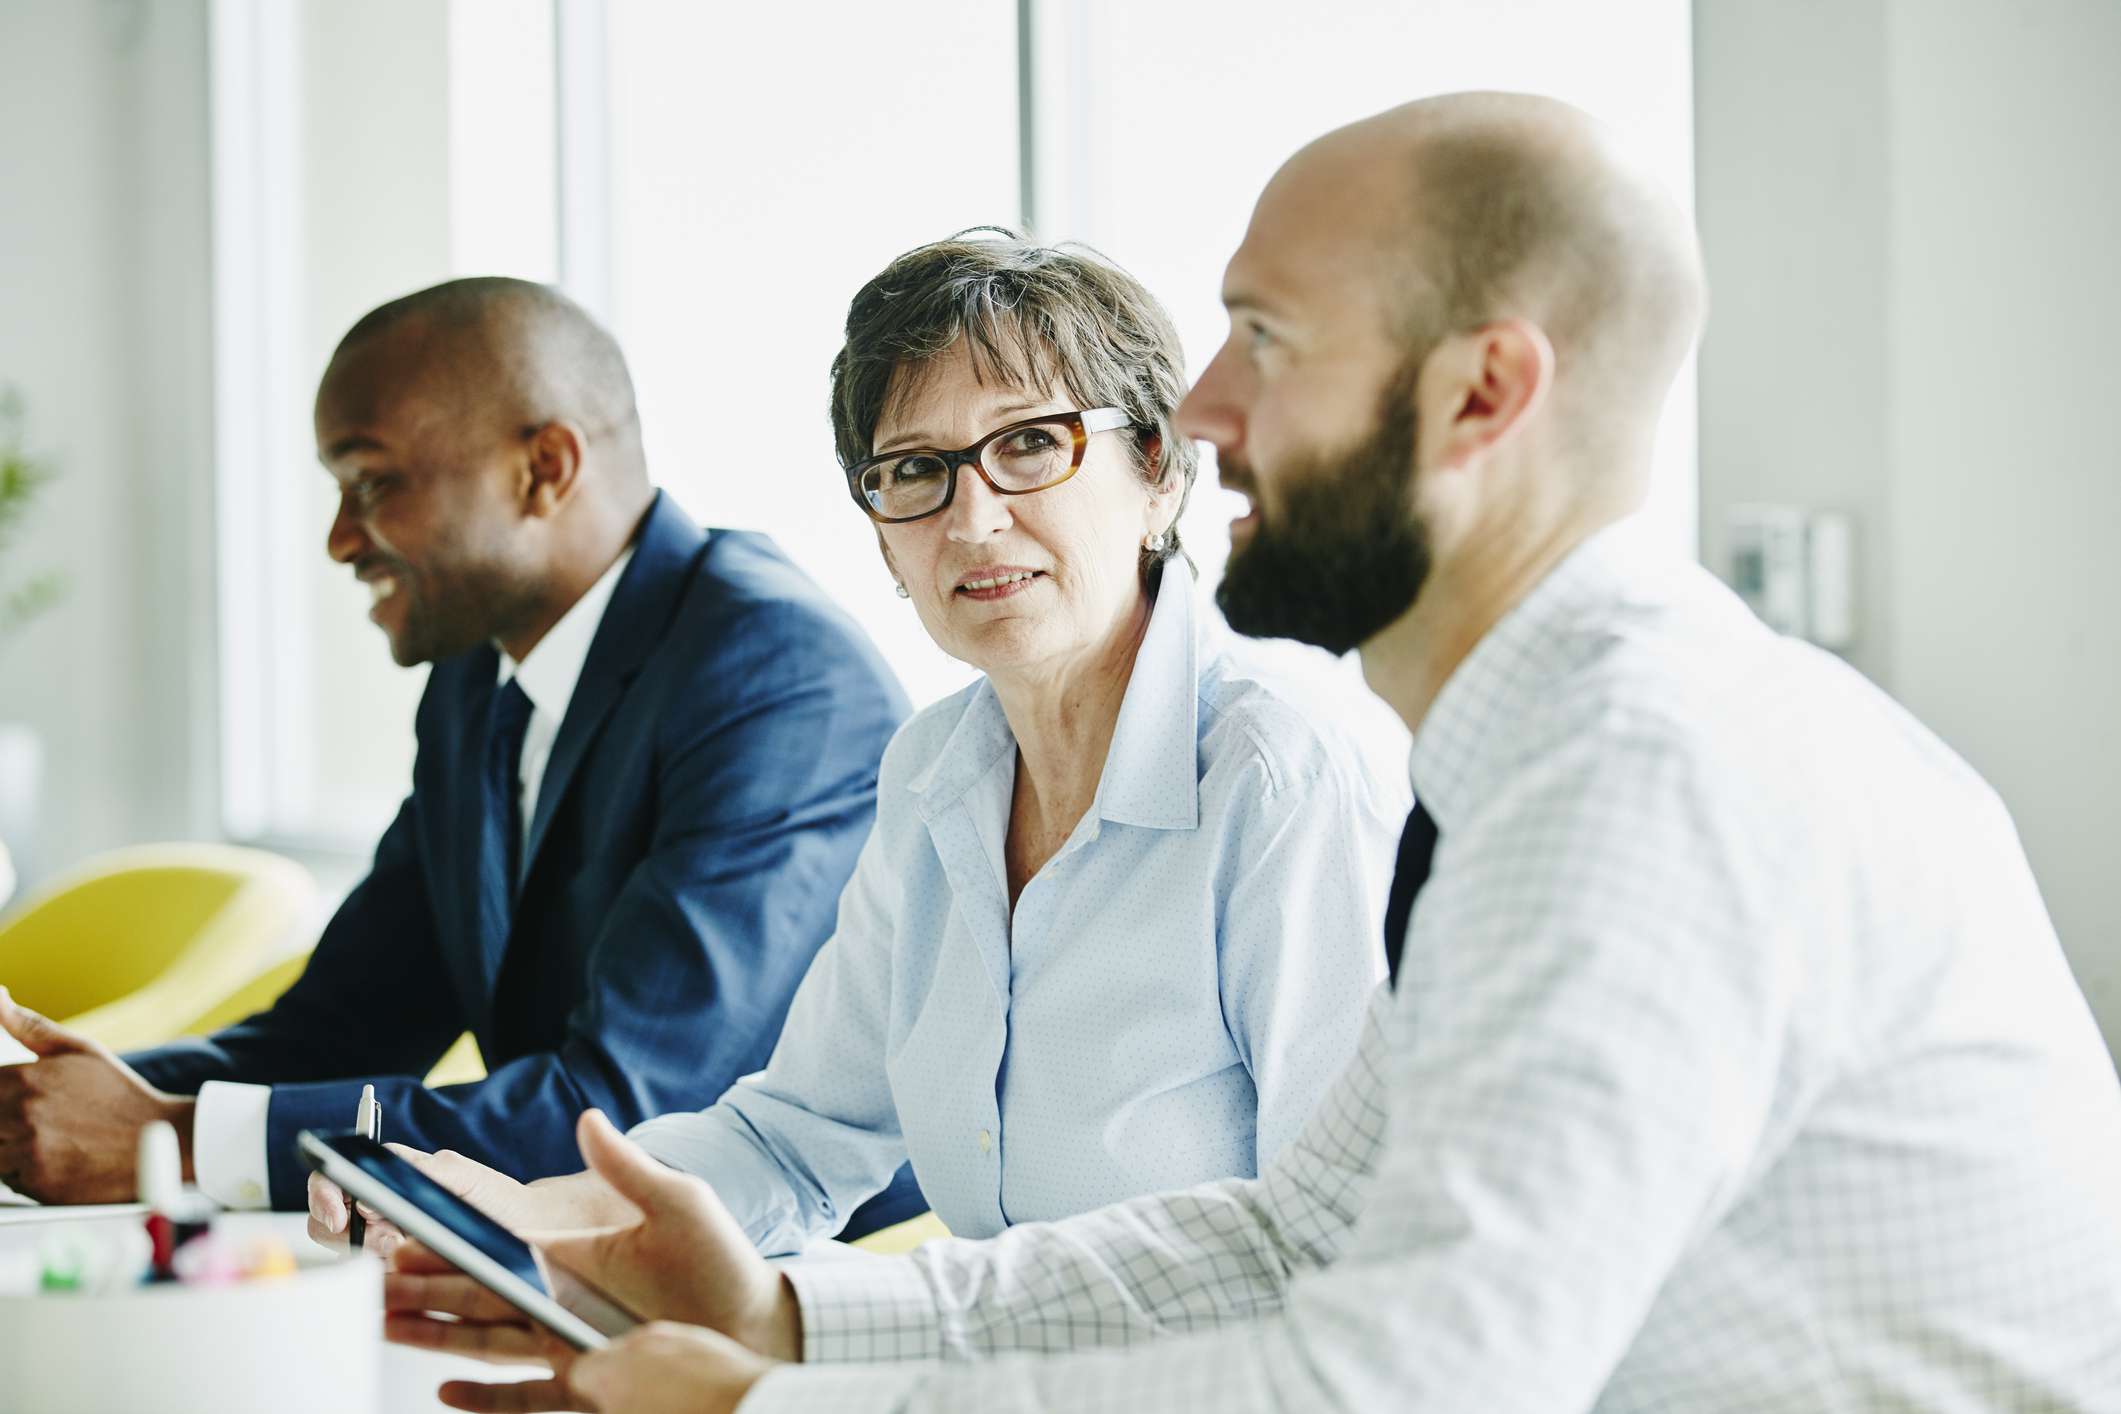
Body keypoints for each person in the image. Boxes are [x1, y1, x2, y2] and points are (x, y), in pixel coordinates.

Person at [399, 94, 2121, 1413]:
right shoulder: (1530, 755)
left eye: (1266, 340)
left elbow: (1390, 1384)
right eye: (916, 469)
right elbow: (1296, 1231)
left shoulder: (1640, 780)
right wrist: (789, 1315)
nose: (1206, 409)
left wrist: (780, 1399)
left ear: (1479, 395)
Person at [359, 233, 1403, 1287]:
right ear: (881, 537)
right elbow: (797, 1136)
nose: (974, 517)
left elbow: (1355, 1247)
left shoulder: (1285, 772)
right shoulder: (933, 771)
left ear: (1161, 474)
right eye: (915, 471)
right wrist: (517, 1214)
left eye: (1032, 445)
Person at [0, 277, 913, 1225]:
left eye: (374, 482)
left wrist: (176, 1142)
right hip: (566, 1248)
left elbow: (630, 1117)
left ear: (545, 468)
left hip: (806, 1270)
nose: (340, 539)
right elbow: (343, 1028)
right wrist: (46, 1109)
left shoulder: (776, 676)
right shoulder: (476, 679)